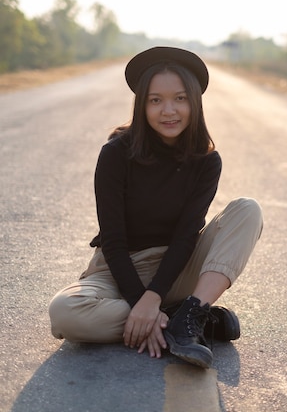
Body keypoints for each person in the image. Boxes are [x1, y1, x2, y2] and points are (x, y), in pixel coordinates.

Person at [49, 47, 263, 368]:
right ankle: (183, 319)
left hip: (177, 267)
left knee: (248, 209)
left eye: (180, 98)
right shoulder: (115, 153)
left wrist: (154, 297)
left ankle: (189, 311)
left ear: (194, 102)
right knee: (65, 313)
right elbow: (114, 240)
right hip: (116, 270)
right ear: (142, 105)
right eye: (155, 100)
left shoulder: (206, 161)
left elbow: (186, 235)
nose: (169, 110)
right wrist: (142, 301)